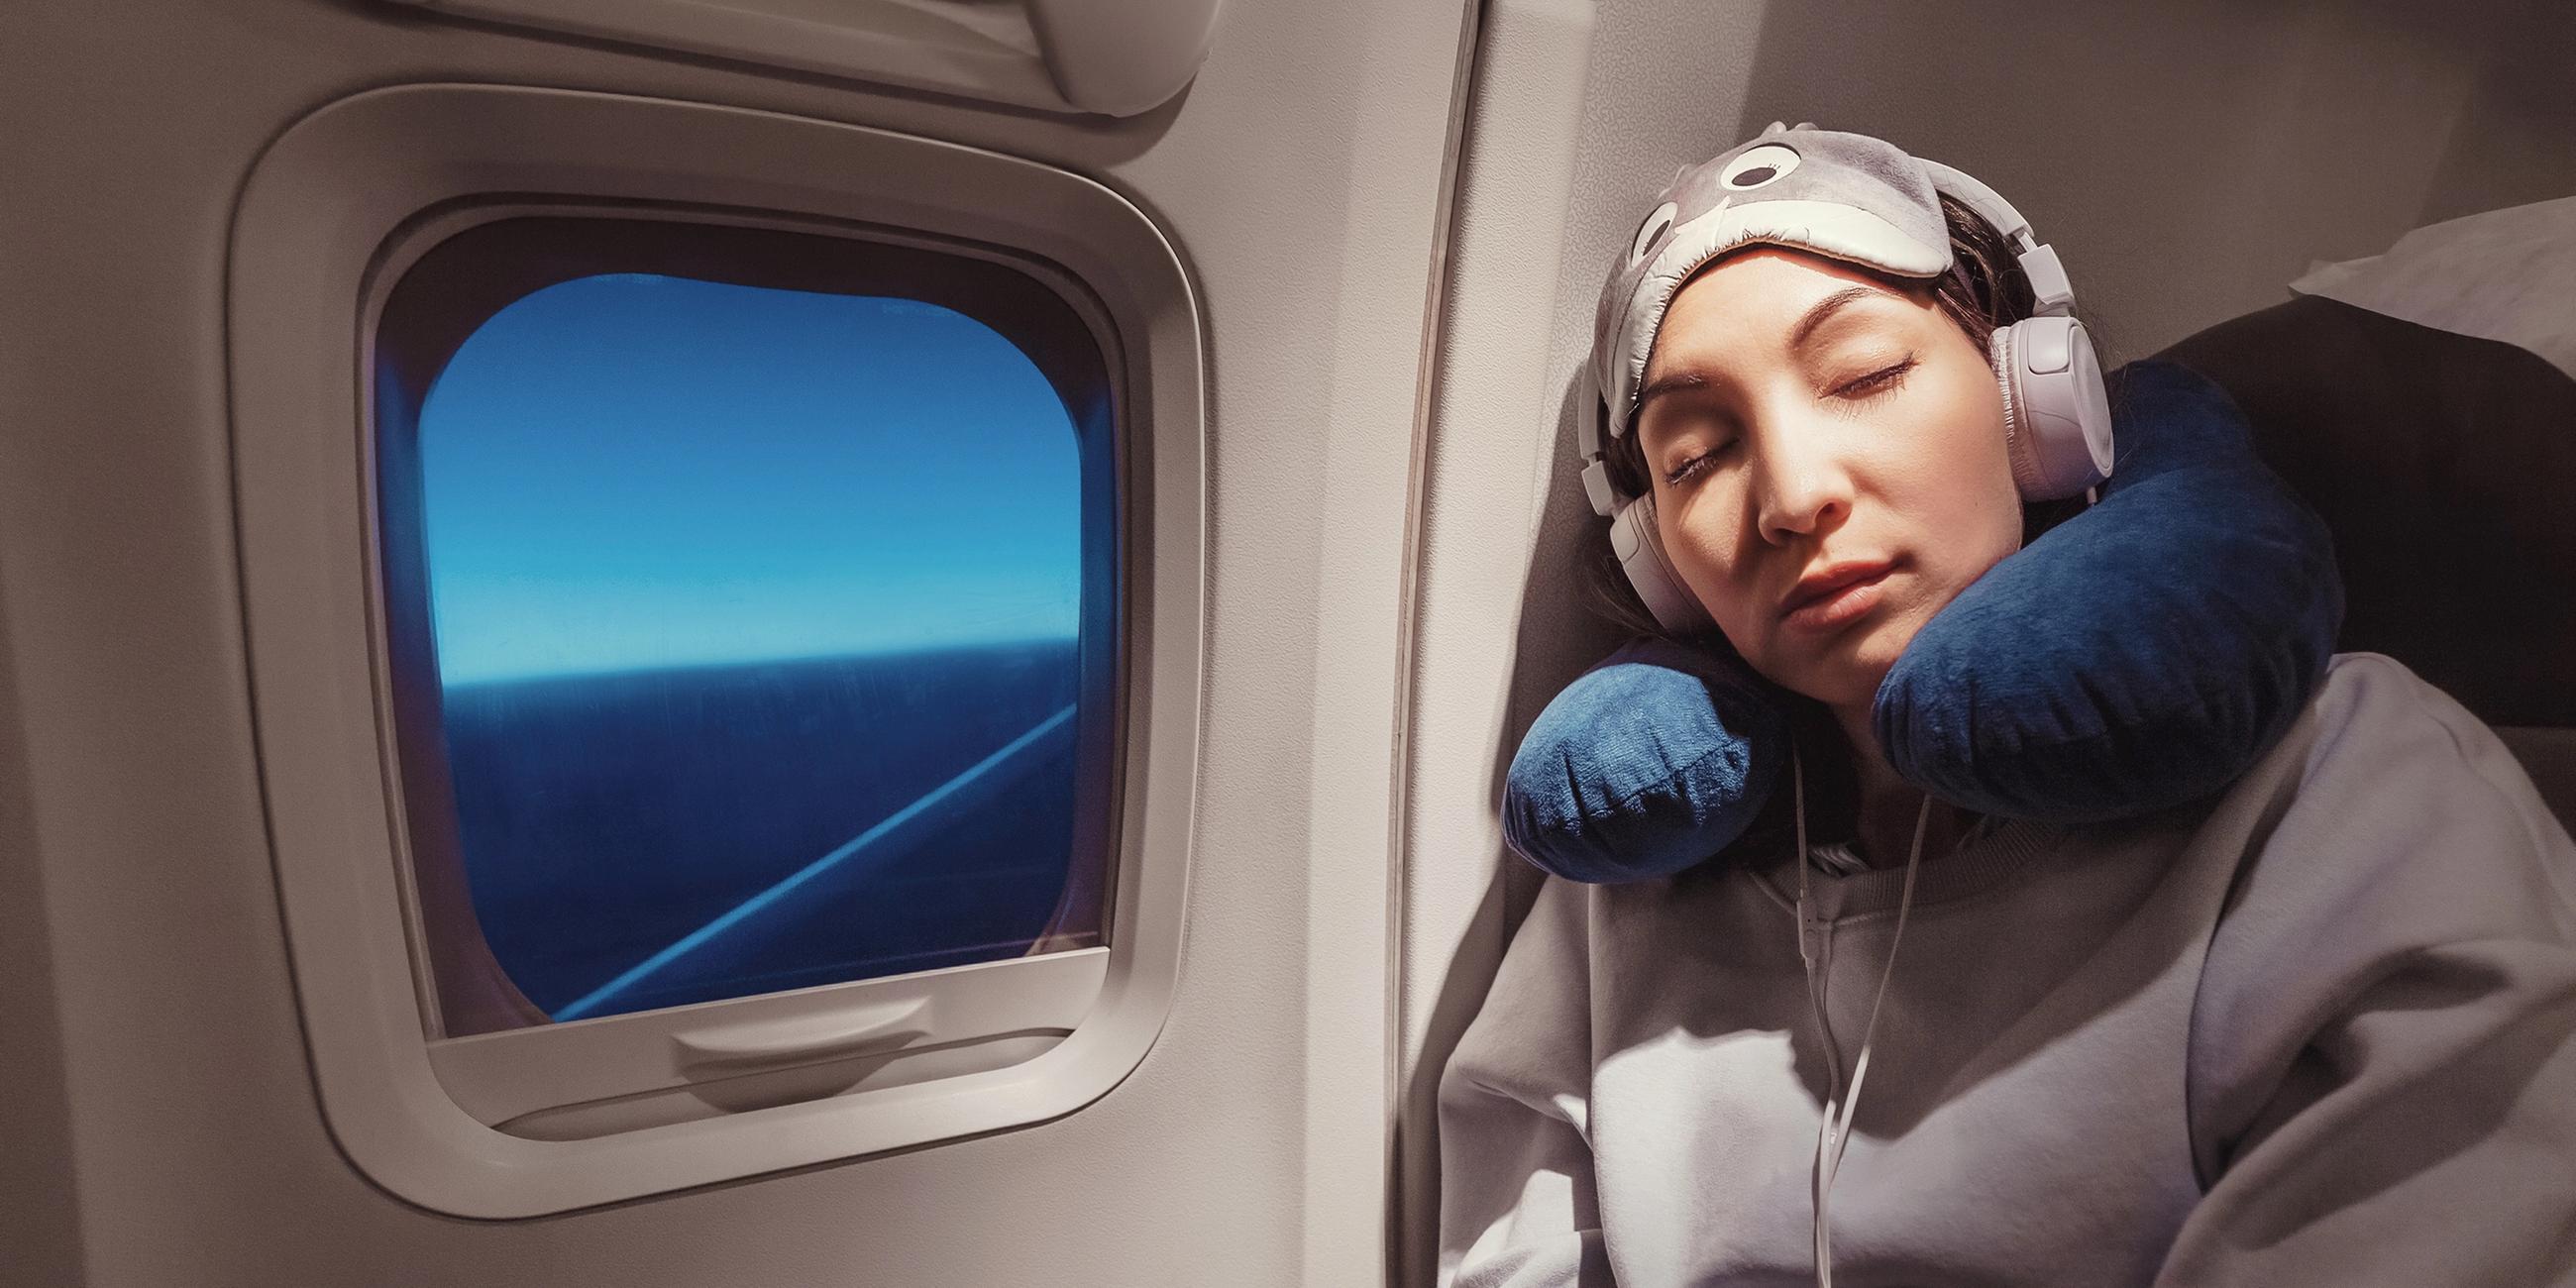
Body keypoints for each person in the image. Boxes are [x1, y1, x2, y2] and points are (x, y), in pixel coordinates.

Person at [1437, 127, 2576, 1287]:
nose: (1790, 492)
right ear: (1655, 562)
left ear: (2035, 404)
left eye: (1865, 376)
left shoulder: (2351, 794)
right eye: (1693, 455)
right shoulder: (1616, 908)